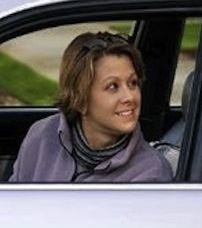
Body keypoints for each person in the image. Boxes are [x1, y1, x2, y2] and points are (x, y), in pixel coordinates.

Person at [9, 32, 173, 182]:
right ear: (80, 98)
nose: (130, 97)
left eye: (133, 83)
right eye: (113, 86)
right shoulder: (41, 135)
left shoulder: (150, 174)